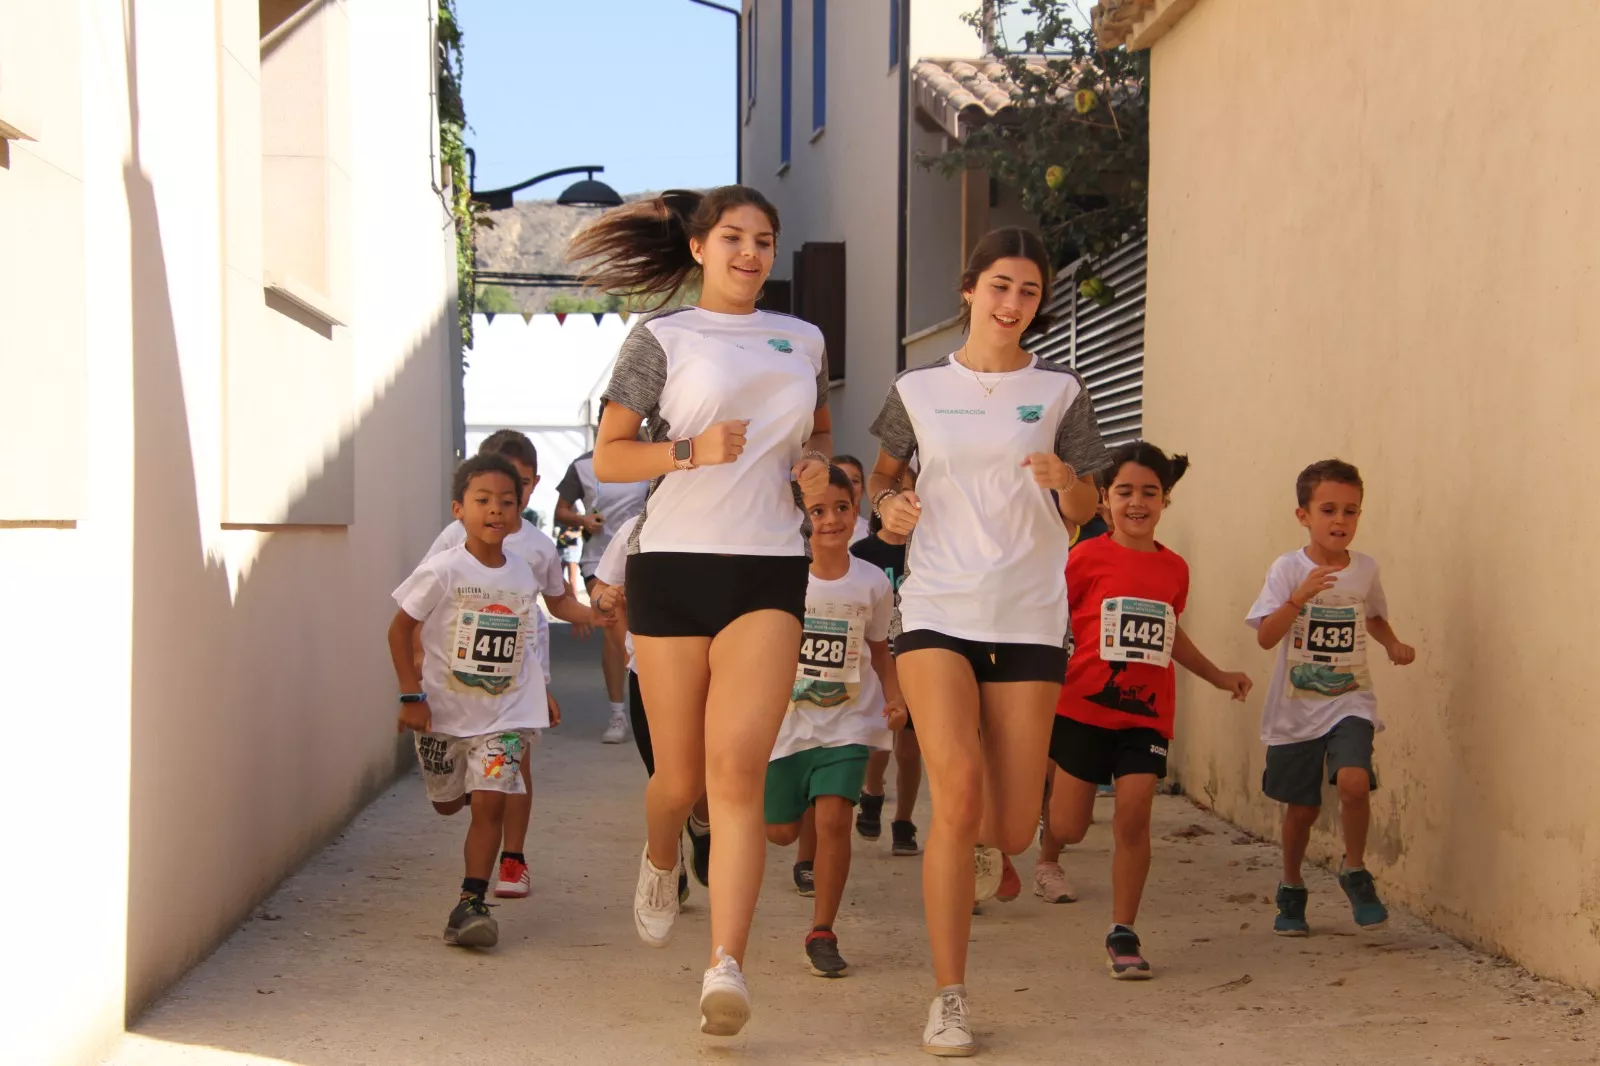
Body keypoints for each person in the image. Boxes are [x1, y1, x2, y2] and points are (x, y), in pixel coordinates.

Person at [570, 185, 832, 1038]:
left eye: (764, 240)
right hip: (673, 568)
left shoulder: (804, 339)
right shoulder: (662, 339)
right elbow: (609, 458)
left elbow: (816, 438)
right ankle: (657, 858)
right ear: (698, 248)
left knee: (737, 776)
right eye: (733, 238)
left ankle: (726, 966)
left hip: (769, 570)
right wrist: (688, 449)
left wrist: (817, 472)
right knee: (677, 783)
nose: (751, 253)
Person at [866, 226, 1108, 1057]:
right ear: (969, 290)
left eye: (1029, 292)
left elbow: (1088, 510)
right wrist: (888, 512)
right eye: (999, 286)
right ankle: (949, 997)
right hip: (937, 607)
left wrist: (1066, 482)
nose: (1013, 304)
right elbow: (884, 479)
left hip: (1030, 616)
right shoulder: (918, 389)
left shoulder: (1063, 391)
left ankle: (984, 850)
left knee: (1008, 829)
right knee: (956, 792)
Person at [1045, 443, 1253, 978]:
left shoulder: (1174, 570)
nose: (1137, 502)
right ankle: (1048, 854)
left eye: (1150, 492)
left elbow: (1171, 635)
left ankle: (1123, 932)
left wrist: (1217, 674)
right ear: (1104, 502)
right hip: (1083, 708)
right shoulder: (1084, 558)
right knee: (1070, 824)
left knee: (1134, 812)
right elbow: (1050, 622)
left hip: (1147, 716)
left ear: (1165, 500)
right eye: (1125, 492)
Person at [423, 429, 600, 899]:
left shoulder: (538, 548)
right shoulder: (451, 542)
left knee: (512, 768)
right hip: (455, 690)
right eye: (491, 492)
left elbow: (558, 603)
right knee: (457, 796)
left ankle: (511, 859)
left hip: (517, 681)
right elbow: (421, 606)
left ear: (532, 485)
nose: (504, 501)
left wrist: (593, 614)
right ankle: (467, 787)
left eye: (517, 487)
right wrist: (417, 683)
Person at [387, 455, 552, 948]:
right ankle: (458, 788)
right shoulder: (443, 570)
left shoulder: (524, 573)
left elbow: (524, 640)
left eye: (507, 502)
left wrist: (541, 691)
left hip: (505, 715)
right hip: (442, 713)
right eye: (483, 501)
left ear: (520, 511)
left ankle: (471, 904)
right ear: (459, 509)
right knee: (448, 804)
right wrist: (411, 695)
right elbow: (399, 631)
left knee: (490, 804)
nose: (496, 511)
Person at [1248, 459, 1414, 936]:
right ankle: (1292, 887)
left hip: (1350, 699)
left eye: (1351, 511)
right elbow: (1265, 637)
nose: (1340, 521)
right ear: (1303, 515)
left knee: (1355, 784)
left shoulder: (1365, 570)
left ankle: (1355, 870)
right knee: (1302, 811)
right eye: (1328, 510)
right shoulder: (1287, 568)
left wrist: (1393, 644)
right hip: (1297, 709)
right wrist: (1298, 597)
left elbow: (1374, 617)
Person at [766, 466, 906, 977]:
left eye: (841, 509)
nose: (830, 520)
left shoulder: (870, 582)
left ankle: (822, 929)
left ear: (857, 512)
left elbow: (879, 646)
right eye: (818, 510)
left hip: (849, 721)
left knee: (833, 820)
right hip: (785, 725)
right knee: (780, 832)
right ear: (801, 517)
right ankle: (797, 814)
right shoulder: (781, 576)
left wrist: (893, 696)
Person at [590, 513, 712, 902]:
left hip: (717, 672)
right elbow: (600, 586)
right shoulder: (637, 528)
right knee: (666, 773)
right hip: (652, 671)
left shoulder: (736, 523)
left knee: (708, 767)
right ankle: (668, 856)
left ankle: (703, 822)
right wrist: (603, 596)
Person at [556, 416, 652, 745]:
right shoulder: (582, 466)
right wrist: (582, 519)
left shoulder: (654, 455)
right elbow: (561, 510)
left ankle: (649, 697)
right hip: (600, 557)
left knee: (641, 630)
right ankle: (618, 712)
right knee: (614, 623)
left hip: (645, 549)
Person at [852, 505, 923, 858]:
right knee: (879, 742)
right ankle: (873, 791)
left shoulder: (928, 548)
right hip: (876, 659)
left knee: (910, 750)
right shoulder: (863, 553)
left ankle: (904, 821)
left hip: (918, 655)